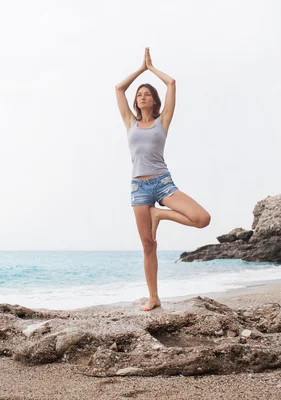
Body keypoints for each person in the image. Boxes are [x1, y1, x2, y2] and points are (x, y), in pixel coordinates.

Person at [115, 47, 211, 312]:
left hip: (163, 182)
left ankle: (160, 215)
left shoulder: (163, 121)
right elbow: (118, 89)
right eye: (140, 94)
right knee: (148, 245)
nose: (142, 96)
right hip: (138, 187)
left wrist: (151, 68)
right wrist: (139, 69)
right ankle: (154, 297)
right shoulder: (129, 122)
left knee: (202, 219)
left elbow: (171, 83)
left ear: (155, 101)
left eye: (147, 94)